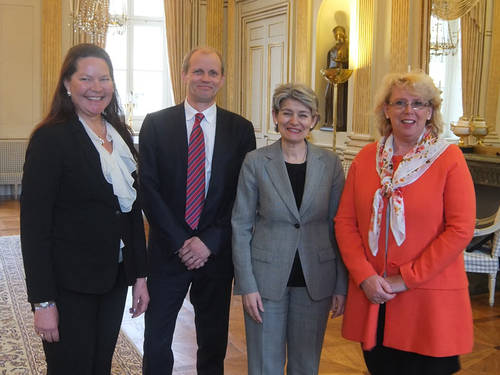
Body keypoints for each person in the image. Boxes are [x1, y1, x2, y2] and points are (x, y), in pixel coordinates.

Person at [334, 71, 476, 375]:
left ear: (430, 112)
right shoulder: (366, 158)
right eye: (399, 102)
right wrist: (364, 276)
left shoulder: (449, 159)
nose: (408, 111)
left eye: (418, 103)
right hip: (375, 297)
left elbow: (461, 228)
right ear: (386, 109)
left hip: (430, 304)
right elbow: (345, 223)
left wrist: (406, 278)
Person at [20, 43, 149, 375]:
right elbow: (34, 229)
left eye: (104, 79)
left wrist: (140, 276)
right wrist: (43, 302)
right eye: (86, 78)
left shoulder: (119, 133)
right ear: (67, 83)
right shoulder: (50, 139)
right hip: (68, 284)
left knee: (99, 366)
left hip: (113, 279)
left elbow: (131, 212)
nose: (97, 88)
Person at [139, 47, 256, 375]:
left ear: (222, 79)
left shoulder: (241, 130)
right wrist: (181, 240)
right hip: (166, 252)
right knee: (157, 340)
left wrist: (208, 241)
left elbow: (241, 195)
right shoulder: (156, 124)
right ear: (184, 74)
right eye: (198, 71)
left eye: (212, 73)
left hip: (215, 255)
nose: (205, 78)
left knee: (213, 341)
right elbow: (148, 188)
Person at [232, 83, 348, 375]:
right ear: (275, 116)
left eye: (303, 114)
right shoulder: (256, 162)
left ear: (314, 121)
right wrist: (247, 285)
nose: (294, 121)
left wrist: (340, 285)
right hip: (265, 280)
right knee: (263, 365)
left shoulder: (331, 164)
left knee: (306, 365)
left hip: (316, 279)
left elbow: (340, 227)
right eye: (287, 113)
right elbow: (241, 225)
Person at [324, 26, 348, 131]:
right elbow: (327, 65)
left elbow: (348, 63)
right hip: (331, 76)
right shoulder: (331, 50)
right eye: (336, 35)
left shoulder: (347, 48)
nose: (338, 37)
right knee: (328, 97)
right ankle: (328, 121)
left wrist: (342, 61)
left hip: (341, 77)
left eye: (340, 35)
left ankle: (338, 122)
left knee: (339, 99)